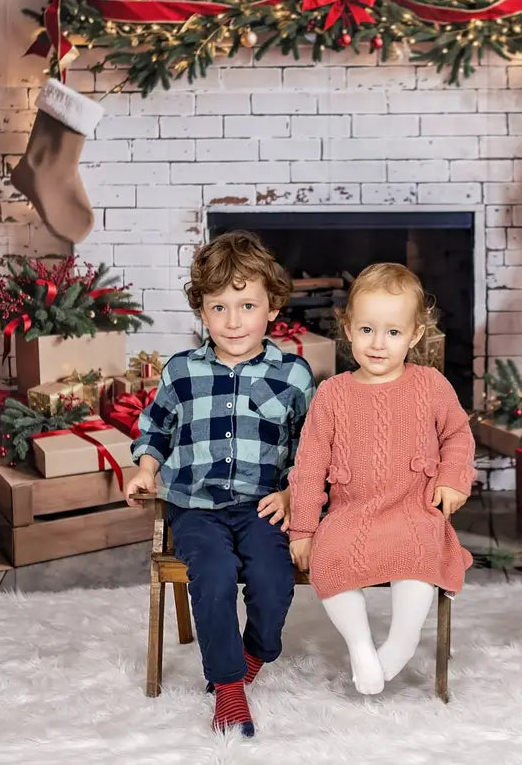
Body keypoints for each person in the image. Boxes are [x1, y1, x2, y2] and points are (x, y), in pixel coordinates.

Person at [125, 231, 315, 737]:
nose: (233, 321)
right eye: (219, 307)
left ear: (272, 308)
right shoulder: (182, 371)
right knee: (211, 577)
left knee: (273, 584)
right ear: (202, 312)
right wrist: (145, 468)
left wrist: (296, 493)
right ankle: (228, 687)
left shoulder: (293, 375)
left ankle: (258, 650)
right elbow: (154, 428)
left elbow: (311, 448)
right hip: (196, 507)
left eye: (247, 304)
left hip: (264, 508)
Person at [287, 263, 475, 695]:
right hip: (350, 511)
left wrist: (453, 479)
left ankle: (400, 646)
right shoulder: (332, 393)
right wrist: (303, 528)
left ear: (414, 336)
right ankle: (360, 645)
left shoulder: (430, 384)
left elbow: (457, 435)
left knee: (420, 556)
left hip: (411, 507)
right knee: (330, 556)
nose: (378, 343)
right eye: (367, 329)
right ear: (347, 329)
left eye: (393, 333)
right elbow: (310, 462)